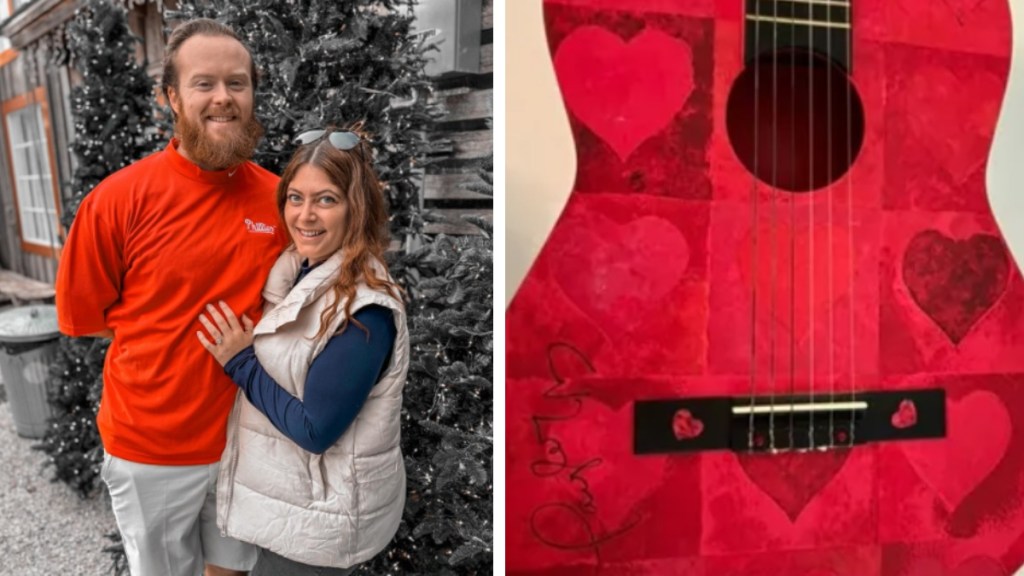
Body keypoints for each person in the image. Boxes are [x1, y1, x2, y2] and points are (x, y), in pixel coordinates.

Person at [55, 18, 287, 576]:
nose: (223, 98)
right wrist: (163, 327)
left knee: (234, 569)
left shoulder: (281, 199)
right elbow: (81, 317)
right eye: (204, 83)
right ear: (170, 97)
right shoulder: (115, 202)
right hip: (151, 449)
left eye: (238, 83)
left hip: (247, 440)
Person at [195, 127, 409, 575]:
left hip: (316, 529)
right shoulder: (294, 269)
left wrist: (240, 362)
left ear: (357, 207)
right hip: (284, 504)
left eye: (326, 199)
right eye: (295, 198)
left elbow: (316, 429)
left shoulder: (364, 311)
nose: (305, 215)